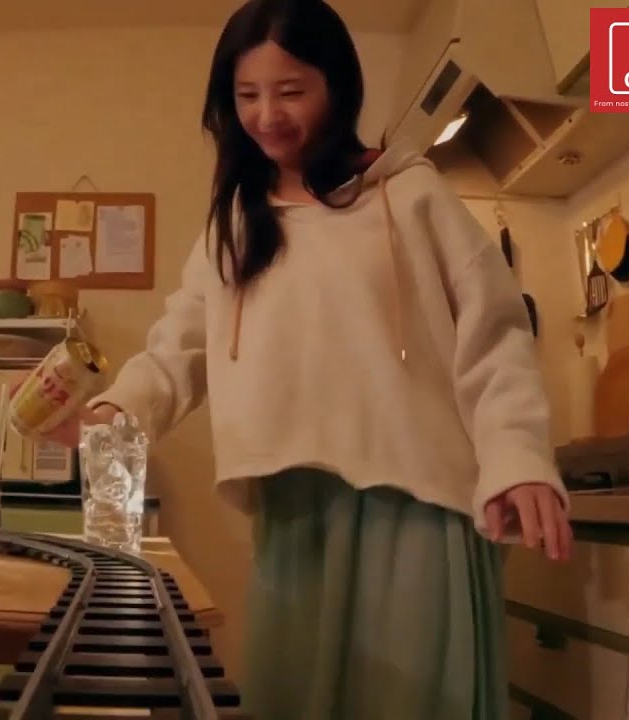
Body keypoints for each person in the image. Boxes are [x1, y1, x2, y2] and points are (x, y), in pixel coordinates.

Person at [41, 0, 573, 717]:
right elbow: (179, 346)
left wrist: (518, 459)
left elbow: (497, 335)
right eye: (247, 95)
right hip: (293, 512)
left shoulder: (411, 193)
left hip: (417, 504)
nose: (267, 116)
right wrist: (114, 415)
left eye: (291, 91)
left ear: (337, 86)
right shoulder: (236, 223)